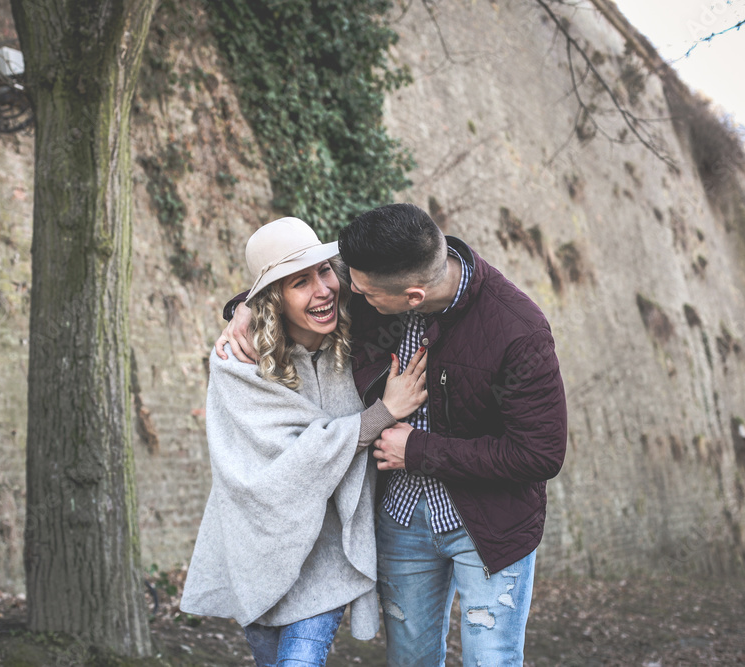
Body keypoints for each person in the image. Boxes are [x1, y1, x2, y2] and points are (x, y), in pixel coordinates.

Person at [216, 203, 567, 666]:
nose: (350, 293)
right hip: (401, 520)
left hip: (489, 527)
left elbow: (540, 453)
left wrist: (418, 450)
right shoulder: (383, 271)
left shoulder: (518, 330)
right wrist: (244, 308)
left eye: (362, 291)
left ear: (413, 296)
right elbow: (297, 287)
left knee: (492, 659)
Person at [180, 216, 429, 667]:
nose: (323, 289)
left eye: (325, 271)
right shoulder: (238, 365)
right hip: (258, 552)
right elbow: (294, 464)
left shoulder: (360, 340)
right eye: (300, 282)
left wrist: (244, 302)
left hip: (326, 561)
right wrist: (383, 413)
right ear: (273, 299)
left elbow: (414, 265)